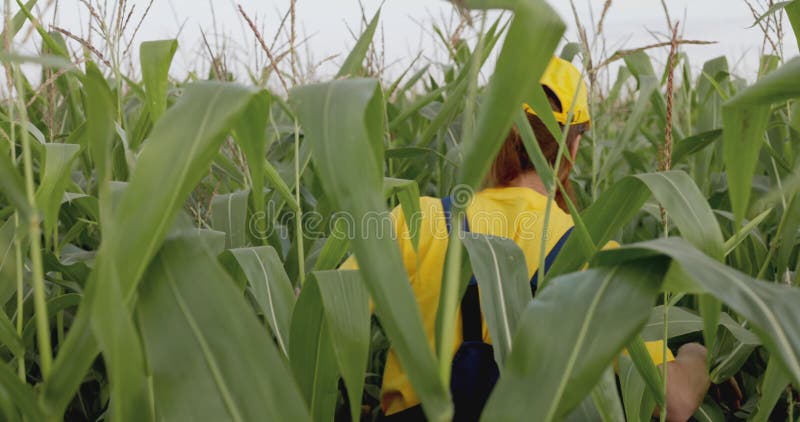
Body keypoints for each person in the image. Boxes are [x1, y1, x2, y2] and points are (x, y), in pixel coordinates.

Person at [341, 56, 710, 421]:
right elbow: (674, 401)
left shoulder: (415, 220)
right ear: (575, 145)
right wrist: (697, 355)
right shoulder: (594, 259)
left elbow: (327, 317)